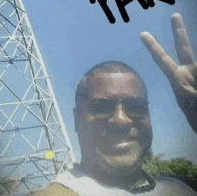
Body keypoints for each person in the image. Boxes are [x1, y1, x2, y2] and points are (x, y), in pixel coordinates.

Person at [34, 13, 197, 195]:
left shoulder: (178, 187)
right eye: (101, 108)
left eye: (136, 107)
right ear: (76, 119)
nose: (121, 120)